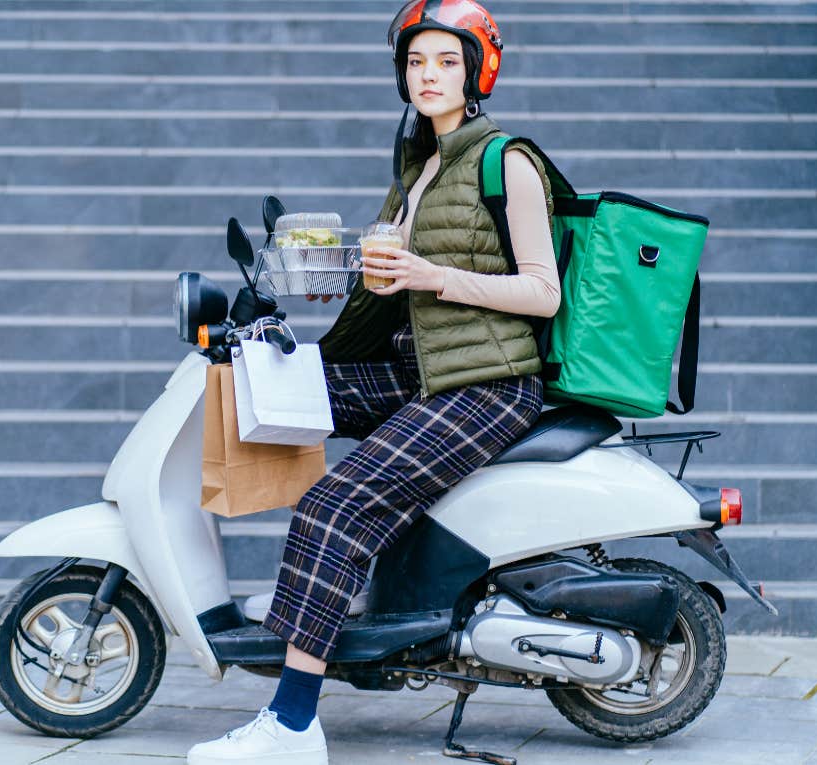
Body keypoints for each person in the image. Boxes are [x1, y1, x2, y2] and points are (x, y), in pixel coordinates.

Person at [187, 1, 560, 762]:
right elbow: (397, 281)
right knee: (281, 388)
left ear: (477, 70)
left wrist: (431, 274)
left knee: (331, 507)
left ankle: (292, 723)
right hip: (422, 368)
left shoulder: (507, 160)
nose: (429, 75)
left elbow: (542, 293)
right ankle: (320, 588)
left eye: (447, 62)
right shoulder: (421, 162)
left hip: (484, 385)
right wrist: (341, 279)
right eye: (417, 61)